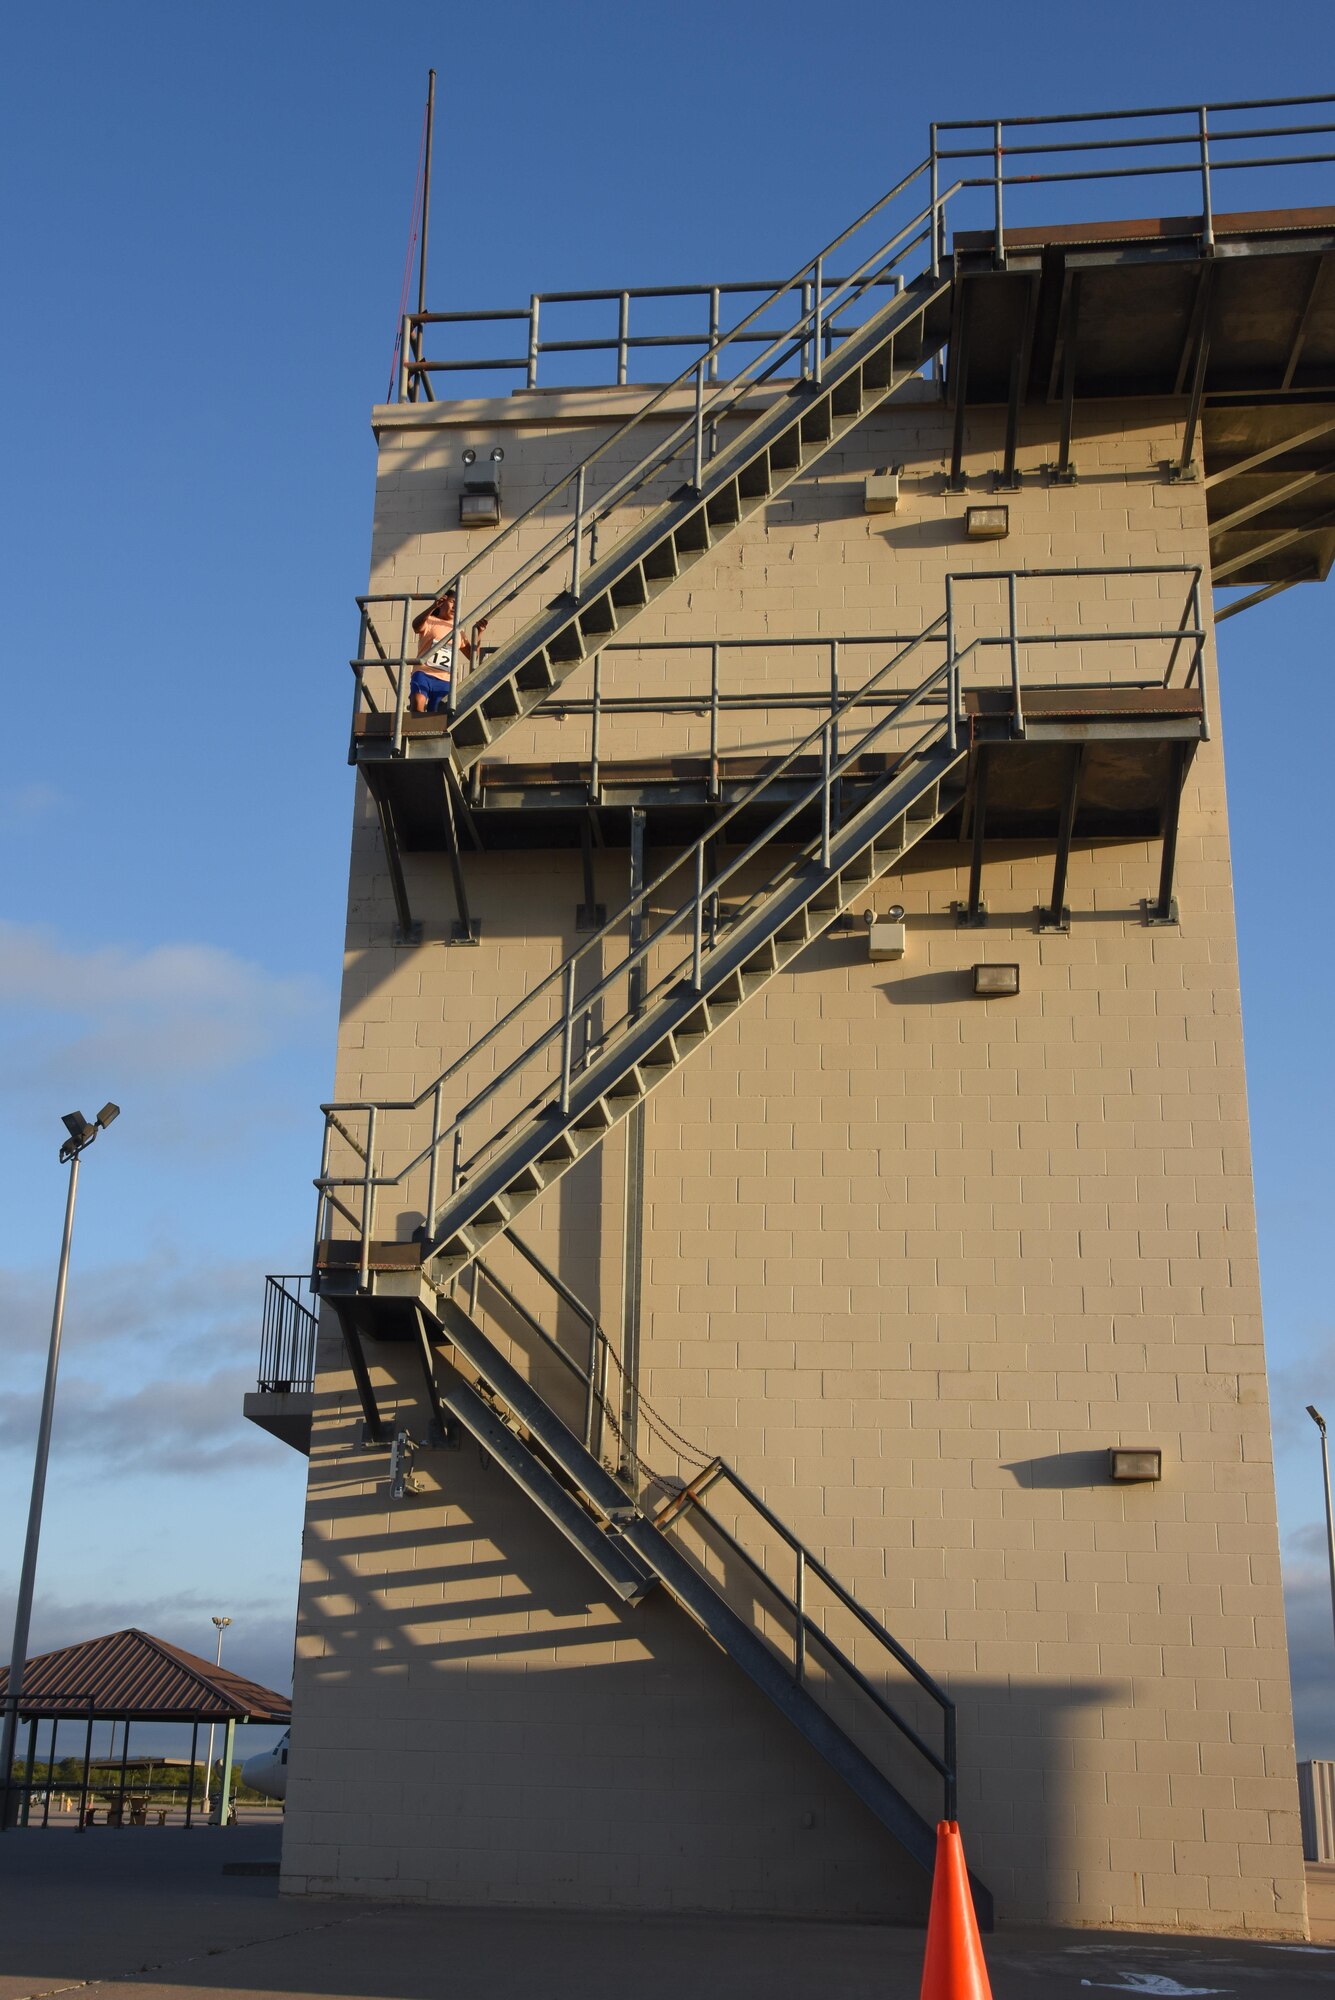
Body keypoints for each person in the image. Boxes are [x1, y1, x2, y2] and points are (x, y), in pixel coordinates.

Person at [409, 589, 488, 714]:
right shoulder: (429, 620)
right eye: (452, 602)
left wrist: (478, 634)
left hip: (445, 679)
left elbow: (473, 656)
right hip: (423, 672)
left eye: (458, 604)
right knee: (418, 703)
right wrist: (432, 607)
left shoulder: (457, 629)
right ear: (442, 602)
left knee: (437, 714)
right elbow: (416, 625)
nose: (455, 606)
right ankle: (416, 730)